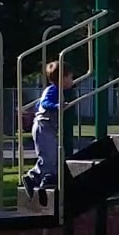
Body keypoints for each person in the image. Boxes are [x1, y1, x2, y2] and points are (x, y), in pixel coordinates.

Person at [23, 60, 73, 204]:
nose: (72, 80)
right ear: (63, 78)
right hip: (43, 126)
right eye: (70, 77)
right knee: (48, 156)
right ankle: (32, 178)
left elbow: (39, 104)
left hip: (47, 127)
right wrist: (57, 106)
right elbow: (44, 103)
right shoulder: (53, 90)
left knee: (53, 155)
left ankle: (46, 179)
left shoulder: (56, 90)